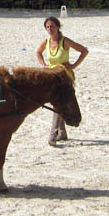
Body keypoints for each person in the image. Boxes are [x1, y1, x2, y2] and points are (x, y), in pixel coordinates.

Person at [35, 16, 88, 146]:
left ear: (58, 27)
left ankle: (52, 135)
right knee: (59, 103)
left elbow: (84, 51)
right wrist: (44, 65)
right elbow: (38, 52)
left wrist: (74, 65)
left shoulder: (65, 41)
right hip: (52, 76)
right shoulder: (46, 41)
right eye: (47, 27)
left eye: (52, 26)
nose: (49, 29)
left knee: (58, 104)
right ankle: (62, 132)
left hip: (64, 77)